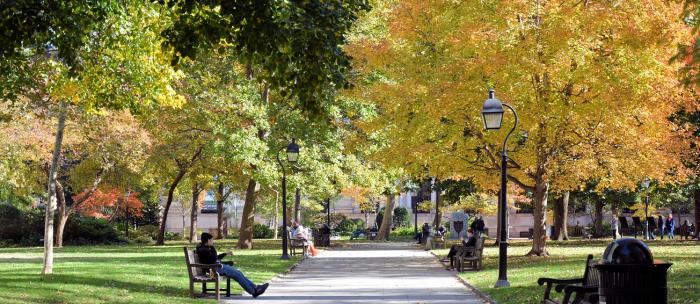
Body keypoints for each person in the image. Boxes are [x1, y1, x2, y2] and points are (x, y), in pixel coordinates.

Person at [196, 233, 268, 298]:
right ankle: (254, 291)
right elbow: (213, 259)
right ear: (208, 240)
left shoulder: (205, 248)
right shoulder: (203, 250)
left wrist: (225, 254)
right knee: (237, 274)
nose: (213, 242)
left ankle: (255, 288)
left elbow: (214, 258)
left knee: (239, 273)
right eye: (211, 240)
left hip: (217, 267)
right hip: (214, 270)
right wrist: (212, 248)